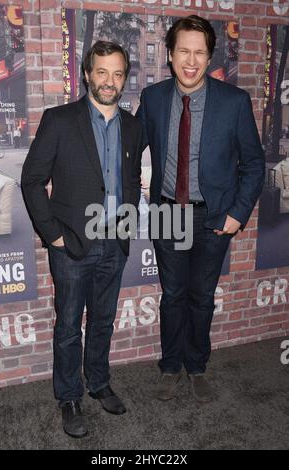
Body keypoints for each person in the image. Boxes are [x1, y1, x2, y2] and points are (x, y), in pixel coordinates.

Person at [136, 16, 265, 403]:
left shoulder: (234, 102)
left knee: (202, 296)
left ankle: (197, 366)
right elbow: (129, 147)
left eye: (200, 52)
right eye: (183, 51)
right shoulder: (153, 98)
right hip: (167, 213)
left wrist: (238, 213)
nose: (191, 61)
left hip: (213, 217)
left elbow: (254, 165)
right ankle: (171, 366)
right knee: (172, 295)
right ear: (170, 55)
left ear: (209, 57)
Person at [21, 41, 142, 437]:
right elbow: (33, 181)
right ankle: (69, 397)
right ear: (88, 74)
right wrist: (52, 234)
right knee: (69, 325)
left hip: (115, 242)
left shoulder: (133, 126)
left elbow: (129, 183)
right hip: (71, 244)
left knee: (104, 320)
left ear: (125, 78)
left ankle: (99, 381)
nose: (110, 81)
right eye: (102, 72)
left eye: (118, 73)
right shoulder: (59, 120)